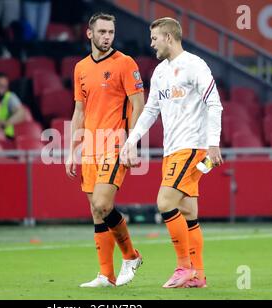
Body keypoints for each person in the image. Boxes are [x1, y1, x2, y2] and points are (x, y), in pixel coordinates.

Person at [121, 17, 224, 288]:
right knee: (188, 211)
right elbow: (150, 111)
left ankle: (183, 267)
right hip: (173, 149)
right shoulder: (160, 72)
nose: (151, 43)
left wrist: (213, 142)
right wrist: (131, 140)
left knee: (165, 203)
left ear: (169, 37)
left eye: (155, 38)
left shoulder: (195, 65)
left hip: (193, 146)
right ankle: (198, 275)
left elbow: (214, 104)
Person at [66, 13, 145, 287]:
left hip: (116, 143)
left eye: (110, 32)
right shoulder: (80, 68)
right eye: (101, 32)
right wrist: (72, 148)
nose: (106, 36)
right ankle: (106, 275)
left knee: (102, 203)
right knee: (96, 211)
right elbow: (79, 111)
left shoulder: (125, 63)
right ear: (89, 34)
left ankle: (132, 256)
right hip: (90, 145)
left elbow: (138, 105)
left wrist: (133, 143)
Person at [0, 73, 27, 139]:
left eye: (6, 87)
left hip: (7, 137)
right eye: (1, 87)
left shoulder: (9, 97)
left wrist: (6, 123)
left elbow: (21, 113)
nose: (4, 90)